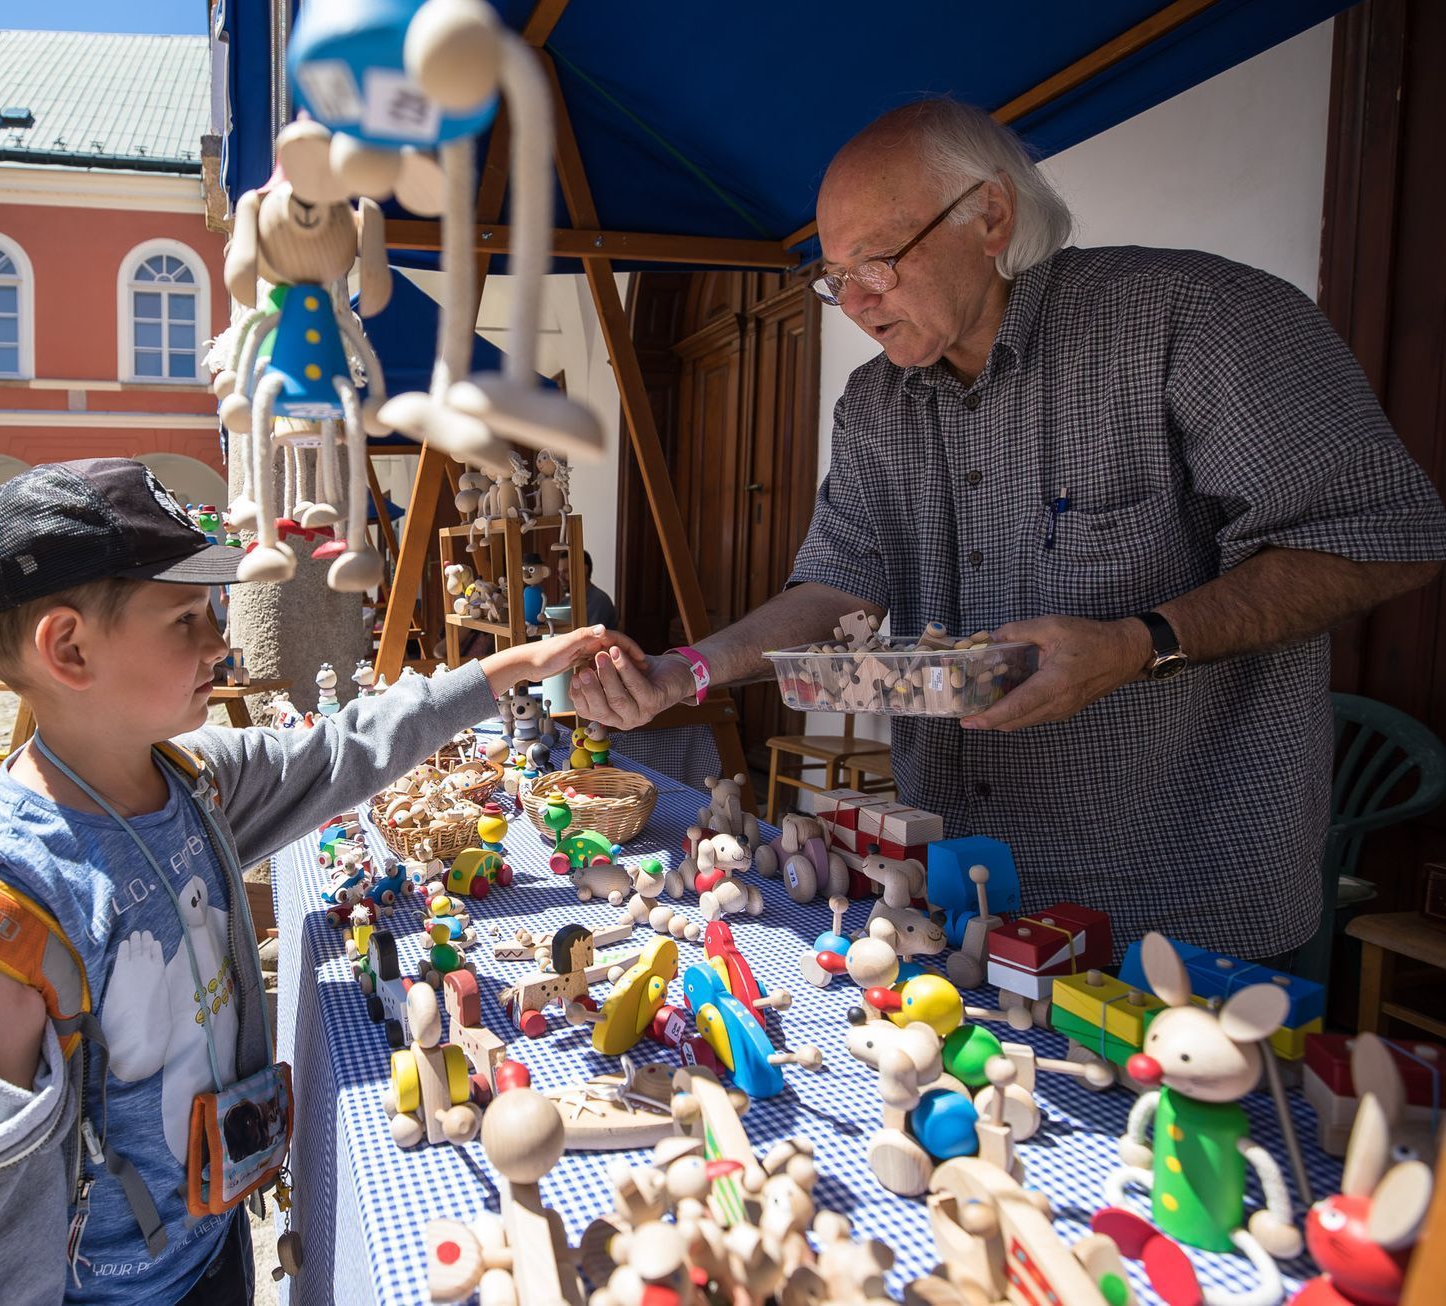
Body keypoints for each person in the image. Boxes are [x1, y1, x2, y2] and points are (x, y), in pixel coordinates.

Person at [572, 99, 1446, 960]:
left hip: (1176, 896)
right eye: (835, 278)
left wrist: (1142, 644)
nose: (856, 303)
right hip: (952, 883)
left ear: (990, 215)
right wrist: (684, 671)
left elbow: (1380, 537)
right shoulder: (877, 401)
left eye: (878, 261)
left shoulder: (1190, 318)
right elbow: (840, 580)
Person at [0, 457, 619, 1303]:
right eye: (185, 619)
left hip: (210, 1245)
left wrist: (505, 670)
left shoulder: (190, 782)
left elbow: (340, 751)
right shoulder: (9, 911)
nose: (218, 641)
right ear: (69, 648)